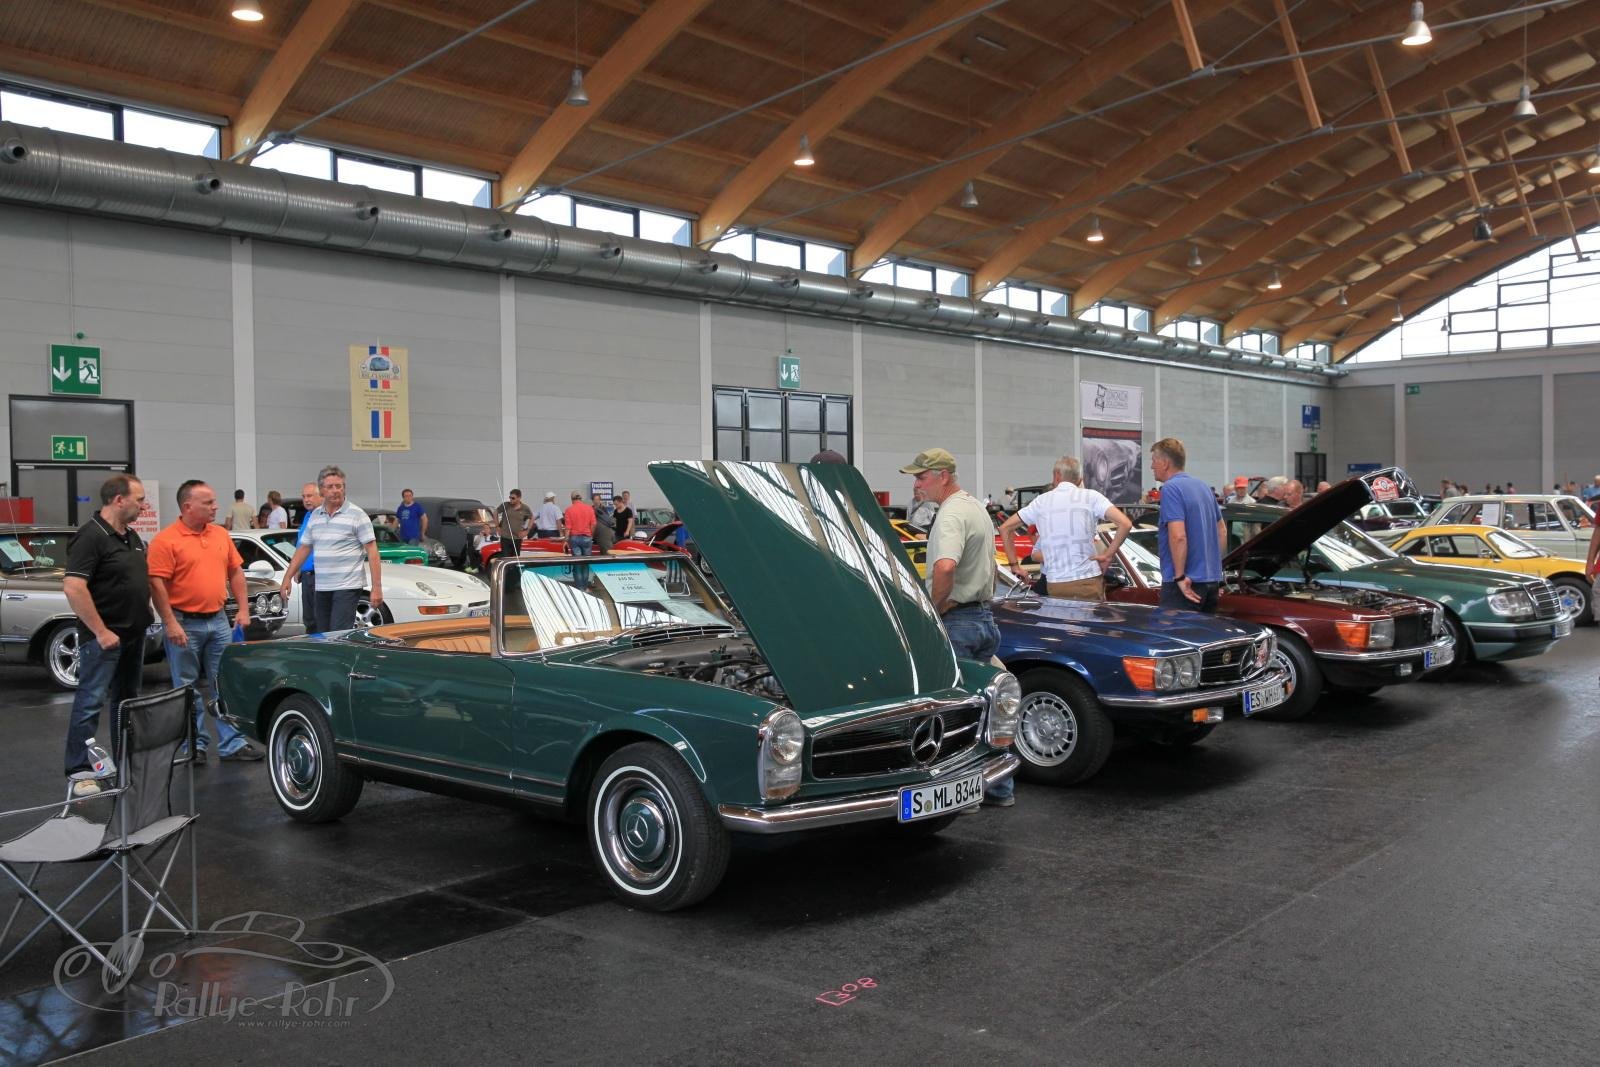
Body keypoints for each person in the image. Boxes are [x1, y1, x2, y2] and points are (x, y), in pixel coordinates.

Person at [899, 447, 1011, 808]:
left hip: (958, 621)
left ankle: (964, 796)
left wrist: (935, 609)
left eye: (921, 477)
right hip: (983, 619)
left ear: (943, 476)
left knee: (956, 714)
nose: (916, 484)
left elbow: (945, 567)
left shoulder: (949, 514)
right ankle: (999, 788)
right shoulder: (975, 507)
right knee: (989, 707)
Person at [147, 480, 261, 763]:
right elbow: (157, 585)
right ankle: (193, 745)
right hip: (184, 622)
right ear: (188, 506)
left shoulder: (220, 534)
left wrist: (243, 610)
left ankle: (232, 744)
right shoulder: (166, 540)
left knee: (224, 683)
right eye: (208, 503)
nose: (215, 507)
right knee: (186, 688)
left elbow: (236, 572)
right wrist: (170, 623)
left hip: (218, 621)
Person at [61, 474, 152, 796]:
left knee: (125, 702)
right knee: (90, 702)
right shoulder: (91, 536)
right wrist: (101, 631)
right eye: (139, 500)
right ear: (118, 500)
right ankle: (79, 771)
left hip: (133, 636)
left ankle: (124, 762)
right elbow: (74, 587)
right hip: (103, 640)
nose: (144, 506)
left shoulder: (131, 537)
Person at [999, 456, 1132, 602]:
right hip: (1087, 580)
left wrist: (1015, 566)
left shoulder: (1041, 502)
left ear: (1057, 476)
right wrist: (1107, 555)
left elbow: (1005, 528)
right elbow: (1125, 524)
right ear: (1080, 479)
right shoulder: (1091, 497)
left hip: (1055, 583)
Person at [278, 466, 381, 633]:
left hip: (347, 586)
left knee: (338, 633)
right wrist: (287, 577)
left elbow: (373, 551)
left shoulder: (357, 515)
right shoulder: (315, 516)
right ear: (322, 490)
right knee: (322, 633)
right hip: (322, 586)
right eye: (330, 487)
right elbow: (304, 548)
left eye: (339, 486)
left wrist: (377, 587)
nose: (335, 490)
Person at [1150, 438, 1226, 613]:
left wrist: (1179, 577)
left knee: (1172, 631)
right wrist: (1214, 572)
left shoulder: (1170, 488)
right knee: (1203, 631)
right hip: (1210, 583)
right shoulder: (1204, 487)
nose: (1151, 466)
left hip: (1185, 585)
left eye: (1154, 460)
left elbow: (1178, 536)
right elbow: (1221, 531)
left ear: (1165, 463)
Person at [292, 481, 321, 632]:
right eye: (304, 497)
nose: (306, 500)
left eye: (310, 496)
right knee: (309, 619)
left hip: (320, 575)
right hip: (306, 575)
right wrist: (297, 568)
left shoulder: (323, 516)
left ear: (320, 496)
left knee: (320, 618)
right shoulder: (307, 516)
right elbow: (301, 544)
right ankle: (312, 643)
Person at [564, 491, 597, 557]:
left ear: (572, 499)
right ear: (581, 499)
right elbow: (594, 524)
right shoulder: (589, 508)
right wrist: (591, 535)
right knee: (587, 559)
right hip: (587, 537)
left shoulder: (568, 510)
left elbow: (568, 527)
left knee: (577, 559)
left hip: (574, 538)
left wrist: (566, 540)